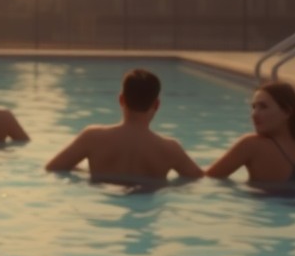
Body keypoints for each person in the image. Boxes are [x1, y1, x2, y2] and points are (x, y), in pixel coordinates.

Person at [45, 68, 203, 183]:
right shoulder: (170, 149)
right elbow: (200, 179)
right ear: (156, 104)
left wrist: (87, 174)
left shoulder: (92, 137)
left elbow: (53, 168)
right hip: (147, 205)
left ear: (121, 99)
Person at [205, 82, 295, 183]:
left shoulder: (251, 145)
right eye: (254, 107)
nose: (254, 114)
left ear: (287, 112)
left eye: (263, 107)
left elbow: (205, 180)